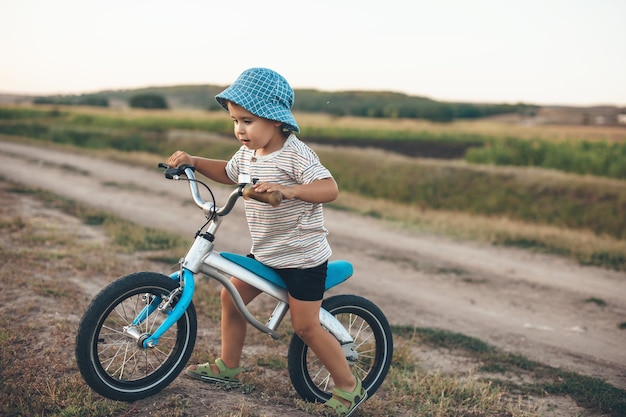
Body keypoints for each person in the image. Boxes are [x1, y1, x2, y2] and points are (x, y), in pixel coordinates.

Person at [166, 67, 367, 416]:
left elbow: (329, 188)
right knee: (230, 294)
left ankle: (349, 386)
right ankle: (229, 366)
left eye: (247, 121)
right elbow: (229, 174)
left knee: (305, 326)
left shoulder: (295, 154)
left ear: (275, 120)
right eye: (234, 121)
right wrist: (194, 162)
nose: (239, 129)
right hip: (267, 252)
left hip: (302, 258)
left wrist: (288, 191)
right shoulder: (248, 153)